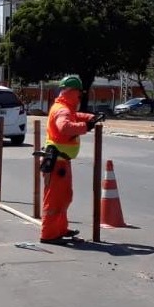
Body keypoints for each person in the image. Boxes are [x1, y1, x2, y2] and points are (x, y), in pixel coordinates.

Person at [39, 75, 104, 245]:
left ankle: (60, 230)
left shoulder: (64, 107)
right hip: (57, 162)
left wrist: (90, 117)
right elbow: (65, 126)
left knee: (64, 197)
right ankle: (49, 234)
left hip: (61, 161)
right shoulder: (63, 110)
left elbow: (75, 115)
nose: (79, 97)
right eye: (78, 94)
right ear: (72, 92)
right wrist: (86, 126)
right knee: (54, 200)